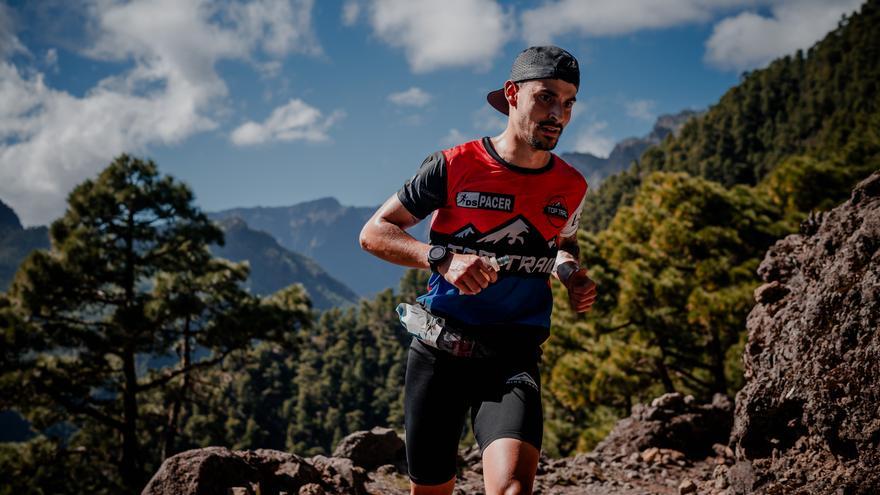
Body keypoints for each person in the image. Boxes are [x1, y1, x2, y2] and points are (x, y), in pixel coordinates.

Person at [359, 45, 597, 495]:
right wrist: (442, 259)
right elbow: (373, 232)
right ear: (512, 94)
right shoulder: (454, 165)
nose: (558, 115)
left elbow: (563, 244)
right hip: (439, 350)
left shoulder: (572, 185)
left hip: (513, 354)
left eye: (568, 103)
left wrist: (570, 273)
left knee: (511, 489)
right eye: (546, 97)